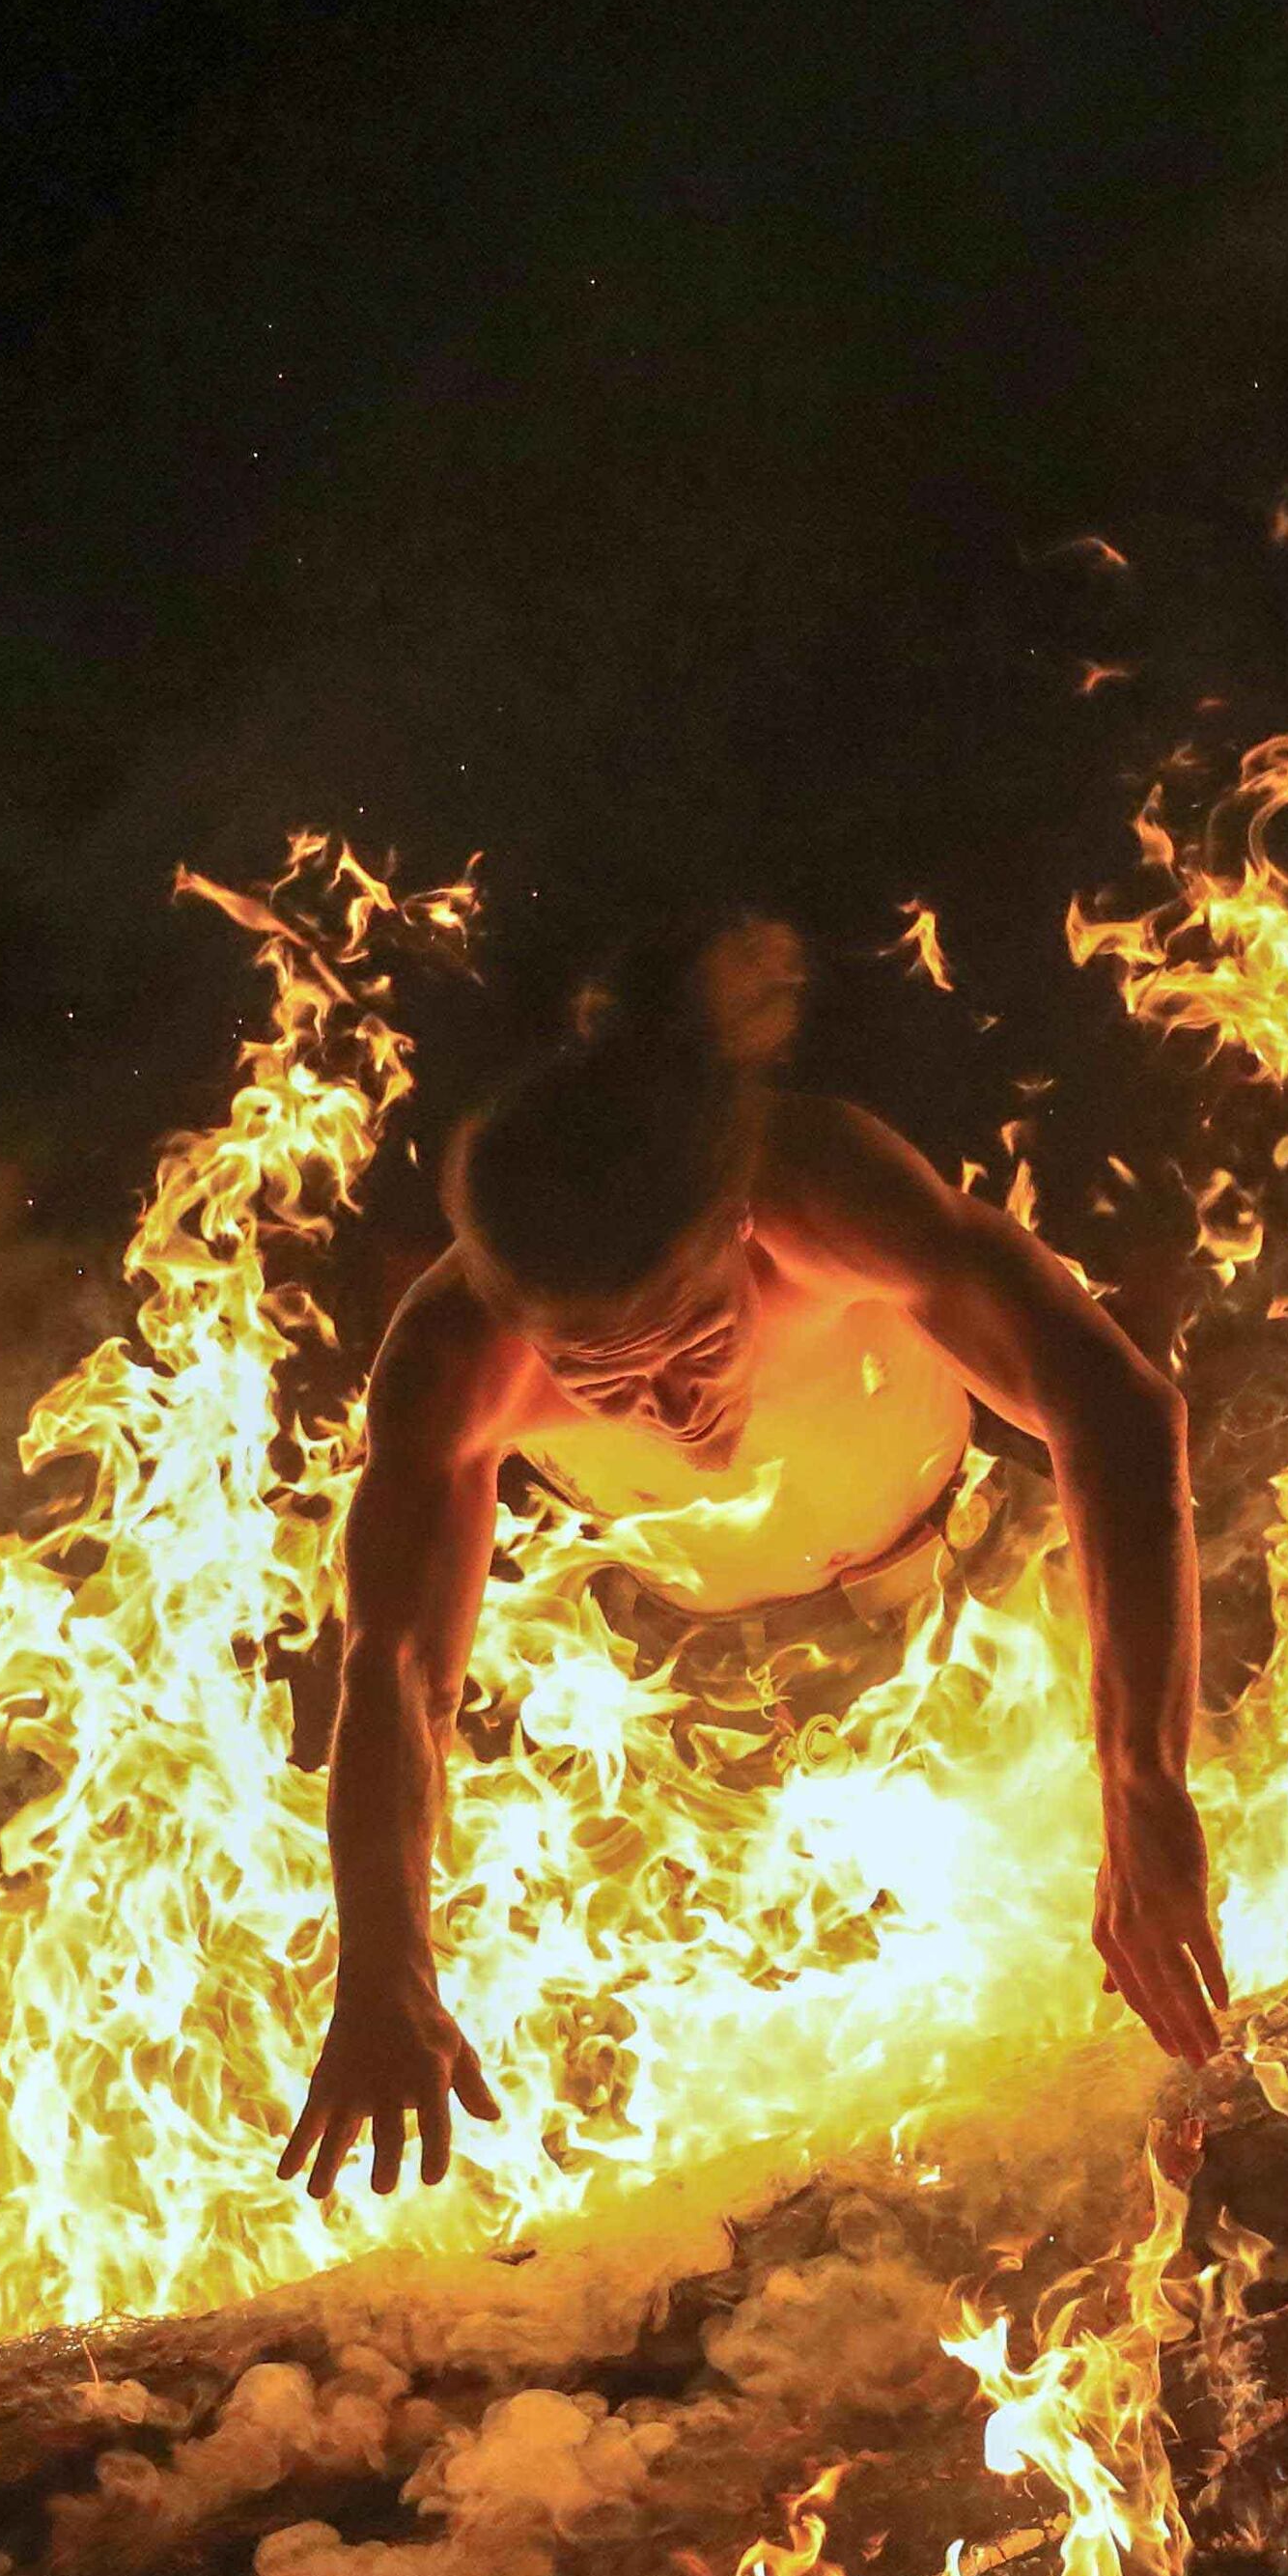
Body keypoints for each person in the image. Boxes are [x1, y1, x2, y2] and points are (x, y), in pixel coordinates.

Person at [279, 911, 1218, 2201]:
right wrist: (383, 1965)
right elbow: (393, 1667)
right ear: (515, 1322)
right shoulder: (451, 1364)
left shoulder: (826, 1196)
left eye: (694, 1341)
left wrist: (1144, 1783)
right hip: (704, 1677)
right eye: (607, 1379)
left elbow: (1115, 1407)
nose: (671, 1411)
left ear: (737, 1237)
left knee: (1095, 2006)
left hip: (968, 1584)